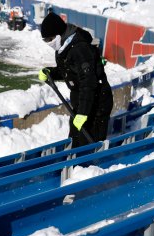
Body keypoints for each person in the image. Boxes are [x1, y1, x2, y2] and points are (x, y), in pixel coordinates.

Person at [38, 11, 113, 147]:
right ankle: (77, 167)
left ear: (59, 34)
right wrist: (51, 73)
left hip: (97, 104)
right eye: (46, 40)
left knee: (89, 145)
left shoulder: (80, 49)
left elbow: (88, 82)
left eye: (50, 39)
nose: (49, 43)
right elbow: (69, 71)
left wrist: (83, 113)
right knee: (76, 142)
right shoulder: (63, 48)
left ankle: (92, 167)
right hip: (82, 102)